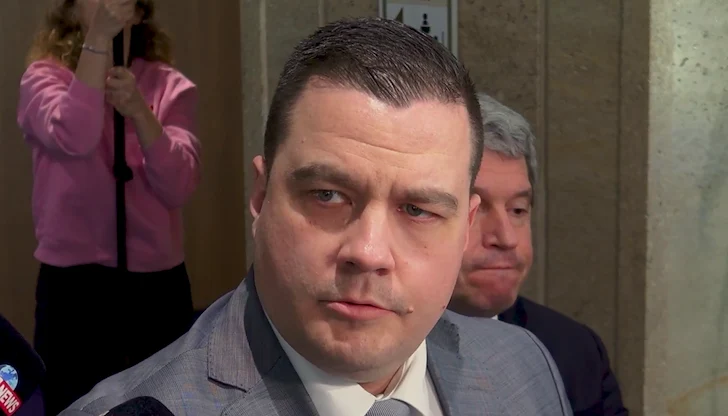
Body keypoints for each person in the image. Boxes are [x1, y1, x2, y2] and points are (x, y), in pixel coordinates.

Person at [59, 17, 571, 416]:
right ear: (260, 197)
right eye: (327, 195)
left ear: (465, 229)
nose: (368, 252)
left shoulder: (524, 365)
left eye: (417, 210)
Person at [17, 0, 201, 414]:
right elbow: (75, 136)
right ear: (70, 8)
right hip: (74, 282)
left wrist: (139, 112)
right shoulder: (43, 79)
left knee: (163, 400)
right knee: (74, 400)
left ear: (138, 12)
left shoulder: (168, 85)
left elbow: (179, 185)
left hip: (155, 281)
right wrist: (99, 40)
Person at [448, 92, 628, 416]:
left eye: (518, 209)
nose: (506, 238)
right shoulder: (371, 352)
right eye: (477, 209)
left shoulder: (574, 351)